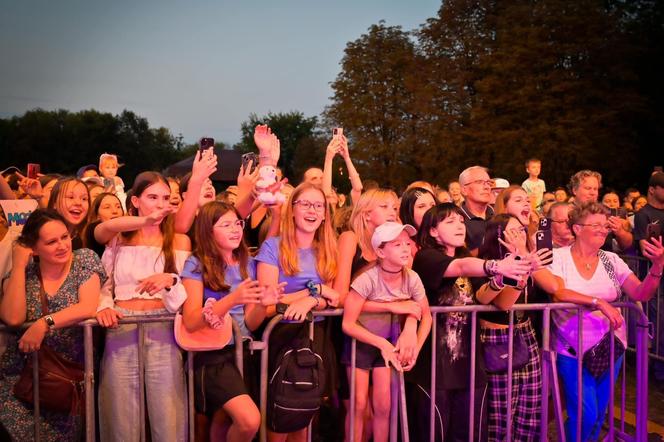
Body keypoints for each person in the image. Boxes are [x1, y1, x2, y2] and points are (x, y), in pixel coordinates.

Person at [410, 203, 533, 441]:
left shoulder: (468, 257)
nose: (459, 225)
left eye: (460, 220)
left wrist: (520, 269)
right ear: (433, 231)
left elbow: (498, 302)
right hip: (434, 367)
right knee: (434, 433)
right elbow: (459, 267)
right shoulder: (426, 257)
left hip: (470, 366)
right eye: (450, 221)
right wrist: (496, 265)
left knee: (469, 434)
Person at [547, 201, 663, 441]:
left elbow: (641, 293)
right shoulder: (558, 257)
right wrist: (598, 302)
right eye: (596, 225)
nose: (603, 230)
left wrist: (657, 267)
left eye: (605, 225)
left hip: (611, 349)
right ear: (577, 228)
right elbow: (559, 292)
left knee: (599, 416)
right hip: (573, 351)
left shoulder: (611, 259)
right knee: (586, 414)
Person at [95, 171, 191, 442]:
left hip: (163, 328)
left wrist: (170, 280)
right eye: (152, 197)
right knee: (121, 416)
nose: (160, 204)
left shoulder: (179, 241)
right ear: (135, 201)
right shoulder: (117, 238)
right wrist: (104, 306)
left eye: (165, 198)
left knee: (167, 414)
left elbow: (184, 300)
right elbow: (104, 284)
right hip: (121, 326)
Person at [0, 209, 105, 441]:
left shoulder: (84, 259)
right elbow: (13, 318)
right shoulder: (24, 274)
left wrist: (43, 323)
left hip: (66, 381)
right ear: (34, 248)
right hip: (21, 381)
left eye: (64, 237)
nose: (62, 245)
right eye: (51, 241)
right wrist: (18, 266)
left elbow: (87, 306)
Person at [247, 182, 341, 442]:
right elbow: (268, 302)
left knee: (304, 417)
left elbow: (333, 300)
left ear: (324, 214)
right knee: (280, 420)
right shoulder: (272, 248)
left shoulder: (328, 249)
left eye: (318, 205)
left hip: (315, 336)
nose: (312, 210)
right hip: (280, 336)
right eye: (306, 204)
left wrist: (312, 300)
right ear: (292, 210)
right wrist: (314, 292)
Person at [342, 222, 432, 442]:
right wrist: (381, 343)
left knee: (384, 406)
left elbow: (426, 316)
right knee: (359, 404)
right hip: (361, 343)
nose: (405, 248)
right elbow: (348, 323)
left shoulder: (412, 278)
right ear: (380, 252)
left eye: (407, 243)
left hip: (389, 345)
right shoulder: (367, 279)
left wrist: (415, 350)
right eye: (396, 244)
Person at [181, 202, 263, 441]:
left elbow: (252, 323)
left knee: (223, 419)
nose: (235, 229)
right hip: (213, 353)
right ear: (208, 231)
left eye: (237, 223)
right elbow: (191, 320)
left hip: (244, 350)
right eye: (225, 225)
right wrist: (232, 299)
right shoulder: (196, 264)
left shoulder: (248, 263)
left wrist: (263, 302)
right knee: (249, 420)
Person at [475, 213, 556, 441]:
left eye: (521, 230)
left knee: (529, 408)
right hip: (497, 337)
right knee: (502, 411)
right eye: (513, 231)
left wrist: (526, 262)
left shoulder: (529, 259)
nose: (520, 235)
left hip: (525, 331)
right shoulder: (487, 264)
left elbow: (551, 286)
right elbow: (503, 303)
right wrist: (521, 263)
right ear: (497, 235)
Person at [569, 170, 633, 252]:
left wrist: (620, 231)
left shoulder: (606, 213)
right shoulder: (563, 214)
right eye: (588, 188)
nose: (592, 193)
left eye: (595, 189)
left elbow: (627, 246)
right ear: (575, 190)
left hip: (602, 261)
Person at [458, 166, 494, 254]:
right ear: (464, 190)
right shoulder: (456, 219)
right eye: (479, 182)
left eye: (489, 183)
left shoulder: (498, 214)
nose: (487, 187)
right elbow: (458, 261)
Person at [47, 177, 90, 250]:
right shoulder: (42, 233)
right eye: (71, 197)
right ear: (54, 202)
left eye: (84, 199)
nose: (78, 203)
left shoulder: (84, 235)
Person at [82, 192, 124, 257]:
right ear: (97, 215)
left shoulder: (126, 231)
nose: (115, 211)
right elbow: (109, 227)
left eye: (118, 207)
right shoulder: (92, 229)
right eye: (107, 207)